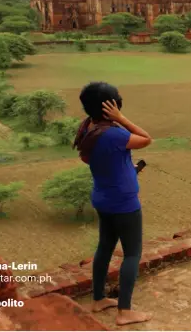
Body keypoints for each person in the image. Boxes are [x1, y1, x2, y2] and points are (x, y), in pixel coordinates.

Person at [73, 82, 153, 326]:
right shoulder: (114, 133)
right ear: (111, 106)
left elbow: (87, 157)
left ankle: (98, 299)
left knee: (105, 247)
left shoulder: (87, 128)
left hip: (102, 197)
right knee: (132, 254)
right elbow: (146, 139)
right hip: (124, 202)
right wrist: (122, 118)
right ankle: (124, 312)